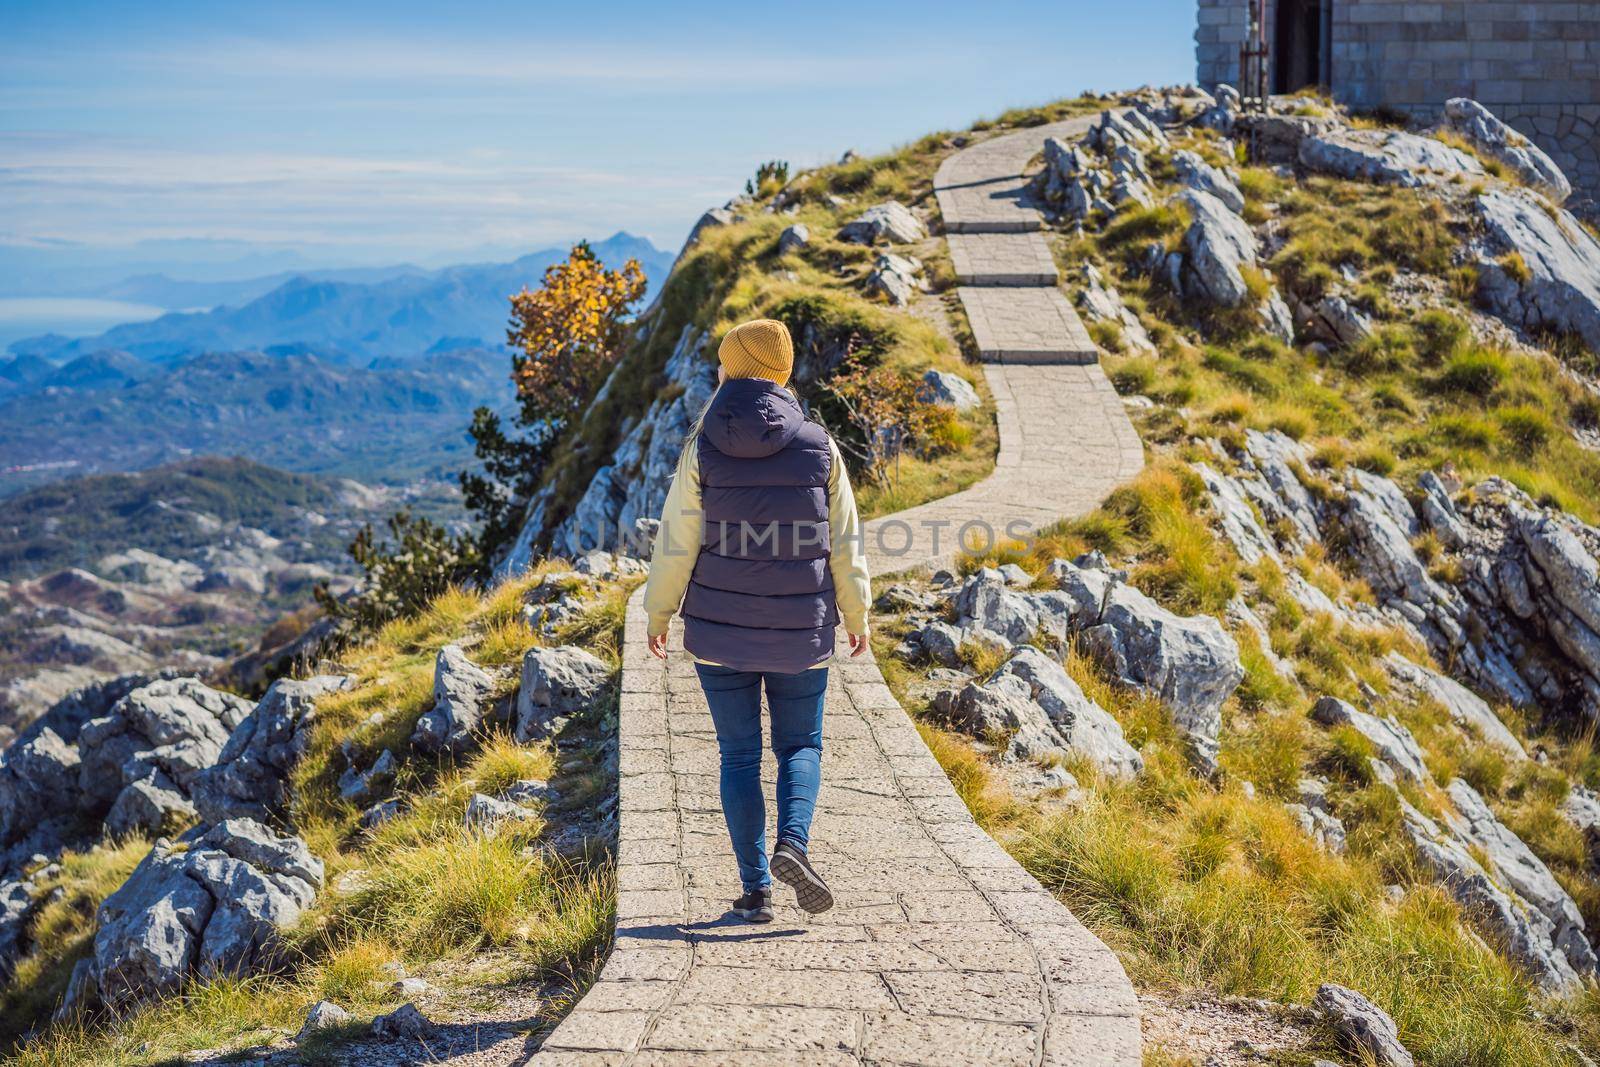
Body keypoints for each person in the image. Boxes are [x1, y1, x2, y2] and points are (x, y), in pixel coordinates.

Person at [641, 317, 871, 923]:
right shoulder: (820, 446)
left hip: (719, 630)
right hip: (803, 628)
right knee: (800, 744)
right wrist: (857, 612)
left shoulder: (702, 445)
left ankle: (758, 889)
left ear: (733, 370)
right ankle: (793, 844)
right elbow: (844, 541)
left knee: (738, 756)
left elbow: (676, 541)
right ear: (784, 371)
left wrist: (659, 611)